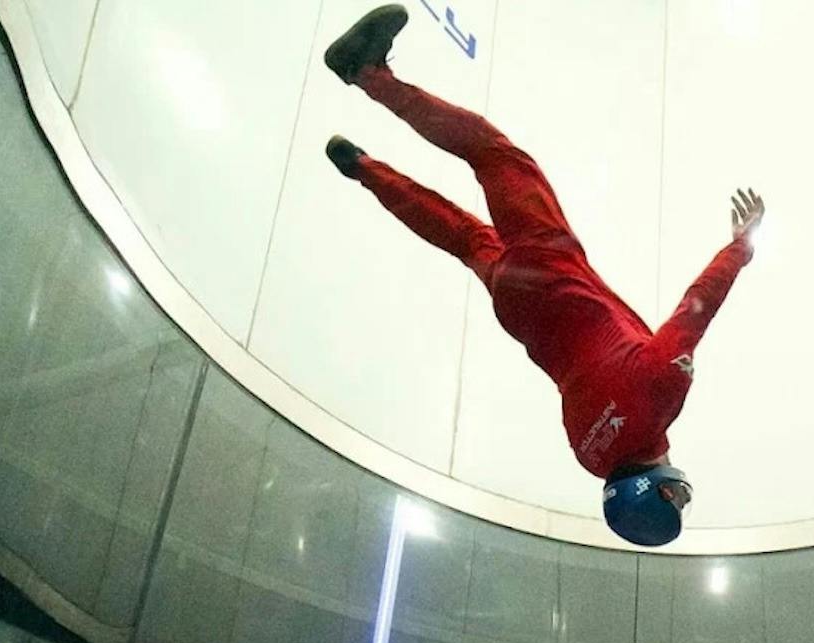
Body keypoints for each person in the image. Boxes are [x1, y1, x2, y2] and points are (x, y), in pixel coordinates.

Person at [320, 5, 764, 546]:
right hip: (517, 311)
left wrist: (740, 247)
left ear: (661, 490)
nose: (682, 490)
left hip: (551, 274)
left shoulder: (661, 394)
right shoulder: (590, 456)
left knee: (493, 155)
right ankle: (362, 167)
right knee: (463, 237)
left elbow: (696, 306)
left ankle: (368, 74)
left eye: (679, 496)